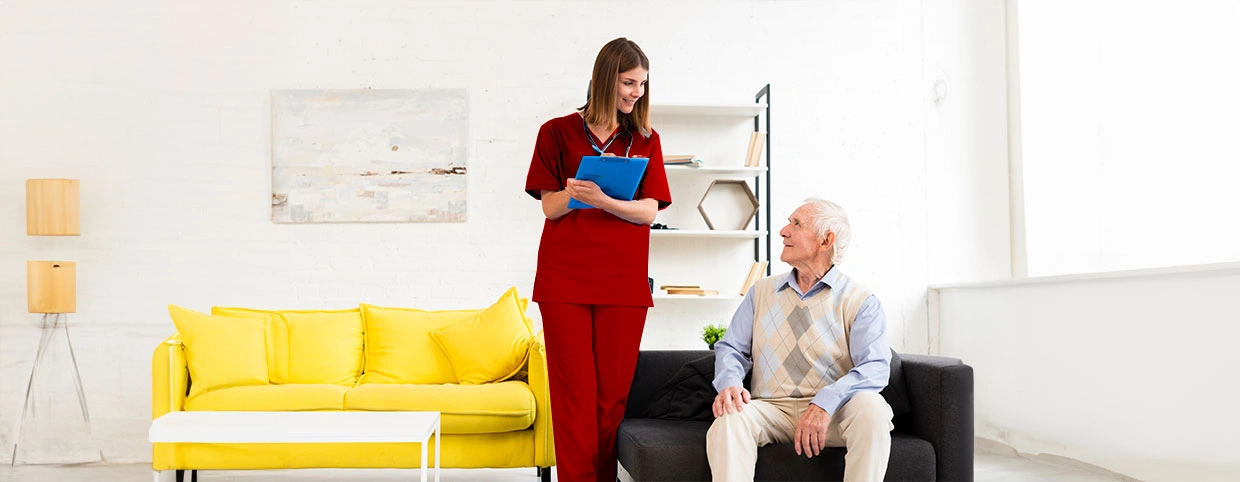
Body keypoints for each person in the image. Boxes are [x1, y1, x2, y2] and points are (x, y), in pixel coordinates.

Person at [524, 37, 671, 482]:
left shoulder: (646, 139)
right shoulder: (555, 132)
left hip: (623, 282)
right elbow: (549, 207)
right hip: (564, 280)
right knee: (573, 395)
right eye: (629, 83)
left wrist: (605, 201)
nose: (636, 93)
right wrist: (576, 192)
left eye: (642, 84)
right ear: (606, 79)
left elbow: (649, 211)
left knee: (611, 400)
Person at [707, 198, 893, 482]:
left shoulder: (861, 300)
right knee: (730, 417)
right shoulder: (761, 291)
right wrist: (730, 382)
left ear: (825, 241)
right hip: (771, 409)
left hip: (833, 413)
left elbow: (875, 367)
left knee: (873, 409)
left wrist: (825, 402)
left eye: (796, 224)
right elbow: (732, 348)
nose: (783, 231)